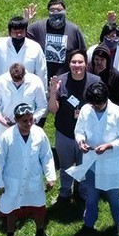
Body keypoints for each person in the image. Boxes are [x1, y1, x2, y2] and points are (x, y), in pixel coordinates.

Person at [71, 82, 119, 236]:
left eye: (98, 104)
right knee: (91, 195)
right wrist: (81, 141)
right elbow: (79, 130)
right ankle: (88, 224)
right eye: (93, 104)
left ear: (106, 99)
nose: (95, 107)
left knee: (113, 195)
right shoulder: (86, 109)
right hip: (91, 162)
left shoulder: (118, 113)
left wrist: (108, 146)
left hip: (110, 162)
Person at [0, 103, 56, 236]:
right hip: (12, 180)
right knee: (12, 210)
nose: (29, 124)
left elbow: (46, 156)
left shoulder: (39, 134)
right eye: (24, 121)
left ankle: (40, 232)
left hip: (33, 179)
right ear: (16, 120)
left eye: (31, 120)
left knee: (38, 208)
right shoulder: (7, 137)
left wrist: (50, 176)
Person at [48, 49, 101, 203]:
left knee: (84, 166)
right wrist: (52, 92)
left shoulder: (95, 81)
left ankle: (82, 193)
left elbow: (101, 106)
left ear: (86, 64)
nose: (77, 65)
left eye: (80, 62)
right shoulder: (61, 82)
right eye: (73, 62)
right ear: (69, 64)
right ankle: (64, 193)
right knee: (65, 167)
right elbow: (53, 109)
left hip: (87, 135)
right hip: (64, 133)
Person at [0, 16, 47, 88]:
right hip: (3, 90)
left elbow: (41, 72)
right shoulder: (0, 44)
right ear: (9, 32)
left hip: (27, 91)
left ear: (26, 31)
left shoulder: (35, 47)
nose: (19, 35)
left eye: (21, 32)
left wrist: (43, 91)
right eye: (15, 32)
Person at [26, 0, 87, 81]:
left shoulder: (73, 30)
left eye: (59, 10)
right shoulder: (37, 28)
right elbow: (19, 38)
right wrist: (26, 22)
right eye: (52, 10)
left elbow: (82, 54)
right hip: (42, 79)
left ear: (65, 11)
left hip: (67, 81)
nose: (55, 12)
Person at [0, 63, 47, 140]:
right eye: (14, 80)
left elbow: (42, 105)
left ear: (24, 74)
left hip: (28, 127)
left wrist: (32, 120)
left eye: (20, 80)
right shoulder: (1, 81)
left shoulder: (35, 82)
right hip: (5, 127)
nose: (17, 83)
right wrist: (0, 118)